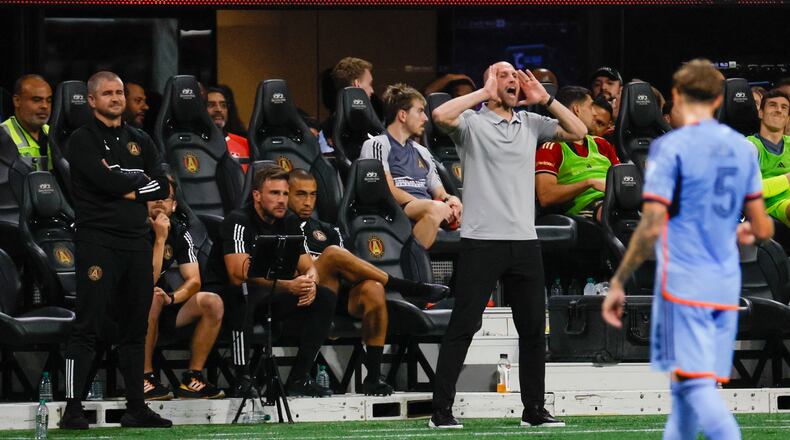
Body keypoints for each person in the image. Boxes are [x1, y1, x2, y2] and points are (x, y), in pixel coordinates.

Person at [602, 59, 773, 440]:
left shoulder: (671, 148)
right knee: (683, 392)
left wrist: (619, 280)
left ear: (677, 96)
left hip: (683, 281)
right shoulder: (743, 149)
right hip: (726, 284)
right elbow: (762, 226)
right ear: (717, 100)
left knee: (695, 388)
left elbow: (650, 224)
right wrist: (744, 234)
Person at [429, 62, 586, 429]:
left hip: (524, 241)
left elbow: (578, 131)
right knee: (464, 325)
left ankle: (533, 410)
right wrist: (485, 92)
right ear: (488, 81)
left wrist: (545, 98)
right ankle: (441, 412)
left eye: (515, 76)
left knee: (533, 329)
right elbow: (439, 114)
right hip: (482, 241)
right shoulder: (471, 123)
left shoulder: (531, 123)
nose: (512, 81)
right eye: (503, 75)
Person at [60, 71, 172, 429]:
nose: (116, 98)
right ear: (91, 100)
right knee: (88, 325)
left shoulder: (141, 137)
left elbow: (162, 185)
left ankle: (136, 408)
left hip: (136, 241)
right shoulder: (81, 139)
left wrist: (127, 187)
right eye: (107, 93)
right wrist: (135, 182)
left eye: (120, 92)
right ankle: (73, 408)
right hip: (98, 241)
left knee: (135, 327)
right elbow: (104, 181)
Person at [287, 169, 448, 395]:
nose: (308, 202)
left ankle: (373, 378)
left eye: (313, 195)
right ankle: (407, 286)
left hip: (338, 291)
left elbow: (348, 263)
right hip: (302, 294)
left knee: (373, 288)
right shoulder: (283, 225)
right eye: (300, 194)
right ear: (287, 194)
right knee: (332, 254)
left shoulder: (327, 228)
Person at [203, 165, 336, 398]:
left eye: (285, 194)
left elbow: (308, 265)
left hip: (270, 293)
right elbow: (237, 272)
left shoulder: (289, 221)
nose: (282, 200)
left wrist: (310, 283)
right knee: (242, 292)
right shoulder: (238, 220)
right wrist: (287, 285)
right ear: (256, 195)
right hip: (228, 294)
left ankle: (300, 377)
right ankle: (242, 377)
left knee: (325, 296)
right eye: (274, 193)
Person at [142, 180, 225, 400]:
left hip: (162, 303)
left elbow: (194, 280)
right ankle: (144, 377)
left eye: (165, 196)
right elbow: (146, 281)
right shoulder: (134, 228)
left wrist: (172, 298)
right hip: (127, 306)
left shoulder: (179, 229)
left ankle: (192, 378)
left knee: (212, 301)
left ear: (174, 205)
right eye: (154, 194)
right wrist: (159, 239)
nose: (159, 200)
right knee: (151, 297)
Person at [359, 83, 462, 249]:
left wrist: (452, 200)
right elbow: (388, 189)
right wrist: (429, 205)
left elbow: (440, 192)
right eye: (420, 111)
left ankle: (414, 266)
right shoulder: (376, 145)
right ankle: (412, 264)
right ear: (402, 115)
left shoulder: (422, 152)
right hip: (394, 210)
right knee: (435, 210)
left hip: (427, 210)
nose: (426, 118)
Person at [536, 86, 620, 220]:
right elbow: (546, 196)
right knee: (613, 214)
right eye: (590, 107)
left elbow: (621, 178)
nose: (594, 113)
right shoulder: (552, 148)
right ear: (577, 110)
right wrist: (588, 182)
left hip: (618, 201)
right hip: (588, 211)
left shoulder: (602, 144)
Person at [745, 89, 790, 226]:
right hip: (772, 206)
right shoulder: (749, 146)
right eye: (772, 105)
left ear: (788, 117)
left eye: (784, 107)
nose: (778, 110)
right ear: (761, 112)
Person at [319, 57, 375, 154]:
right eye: (370, 84)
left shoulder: (325, 130)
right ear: (357, 84)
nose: (372, 90)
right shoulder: (369, 130)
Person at [1, 74, 52, 170]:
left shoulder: (54, 134)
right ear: (17, 101)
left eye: (48, 100)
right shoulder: (3, 135)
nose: (45, 106)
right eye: (37, 100)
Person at [207, 87, 251, 173]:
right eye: (211, 105)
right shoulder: (195, 143)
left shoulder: (244, 143)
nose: (219, 110)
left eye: (223, 105)